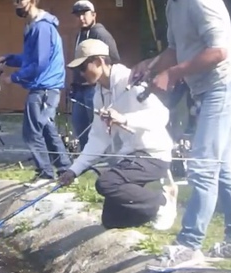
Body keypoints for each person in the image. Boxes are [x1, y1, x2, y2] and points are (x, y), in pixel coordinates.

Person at [131, 0, 231, 268]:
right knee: (222, 165)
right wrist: (150, 66)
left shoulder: (200, 2)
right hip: (211, 90)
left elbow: (218, 51)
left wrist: (173, 73)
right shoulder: (174, 5)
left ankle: (189, 245)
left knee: (203, 166)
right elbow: (176, 49)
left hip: (227, 86)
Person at [59, 39, 176, 230]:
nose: (80, 74)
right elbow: (98, 138)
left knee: (105, 183)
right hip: (131, 157)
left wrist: (124, 119)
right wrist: (74, 170)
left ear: (99, 61)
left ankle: (162, 202)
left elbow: (162, 115)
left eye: (83, 67)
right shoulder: (99, 95)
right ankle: (150, 207)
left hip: (154, 155)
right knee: (112, 220)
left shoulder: (131, 79)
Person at [0, 0, 72, 187]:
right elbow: (30, 59)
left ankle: (45, 174)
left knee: (31, 132)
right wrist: (8, 58)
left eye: (20, 1)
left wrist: (13, 78)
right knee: (46, 127)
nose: (16, 5)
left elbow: (39, 63)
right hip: (46, 87)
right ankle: (64, 168)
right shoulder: (34, 27)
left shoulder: (42, 28)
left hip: (43, 87)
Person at [69, 1, 120, 151]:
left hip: (94, 88)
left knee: (98, 126)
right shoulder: (80, 35)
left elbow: (114, 59)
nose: (81, 18)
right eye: (77, 15)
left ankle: (104, 157)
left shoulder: (100, 34)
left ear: (94, 15)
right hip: (79, 89)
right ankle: (87, 157)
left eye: (84, 14)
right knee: (80, 125)